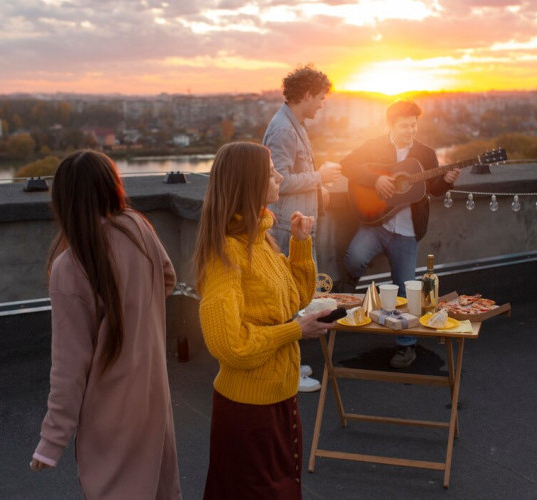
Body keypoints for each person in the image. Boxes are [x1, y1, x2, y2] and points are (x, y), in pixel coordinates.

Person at [30, 151, 182, 500]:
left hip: (109, 412)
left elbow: (69, 369)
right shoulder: (137, 227)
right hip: (152, 397)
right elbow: (168, 280)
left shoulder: (70, 267)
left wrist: (50, 444)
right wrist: (138, 317)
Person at [195, 142, 335, 499]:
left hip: (279, 396)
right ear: (249, 181)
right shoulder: (226, 252)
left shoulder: (261, 238)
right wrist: (297, 330)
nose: (279, 175)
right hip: (248, 411)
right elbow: (230, 346)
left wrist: (301, 244)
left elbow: (296, 299)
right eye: (271, 170)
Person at [341, 100, 460, 369]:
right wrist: (375, 180)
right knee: (353, 258)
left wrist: (447, 181)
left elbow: (434, 188)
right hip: (375, 223)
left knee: (408, 290)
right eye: (405, 126)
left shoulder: (426, 154)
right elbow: (347, 164)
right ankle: (348, 287)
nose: (410, 131)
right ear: (391, 125)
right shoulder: (374, 145)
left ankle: (406, 346)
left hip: (406, 231)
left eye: (414, 125)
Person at [263, 64, 341, 392]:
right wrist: (321, 176)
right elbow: (278, 181)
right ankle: (285, 375)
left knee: (291, 299)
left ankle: (288, 368)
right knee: (283, 301)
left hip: (294, 224)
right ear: (306, 94)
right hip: (285, 228)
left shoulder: (291, 123)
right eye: (321, 97)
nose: (323, 103)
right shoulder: (283, 129)